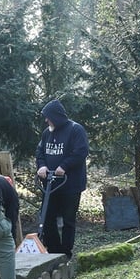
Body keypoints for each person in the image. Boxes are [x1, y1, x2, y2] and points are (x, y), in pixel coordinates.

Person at [35, 99, 89, 258]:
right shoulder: (47, 133)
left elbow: (81, 151)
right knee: (47, 218)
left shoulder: (75, 130)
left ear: (56, 116)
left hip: (70, 184)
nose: (46, 120)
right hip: (50, 185)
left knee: (68, 220)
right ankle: (54, 251)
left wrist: (64, 166)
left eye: (48, 117)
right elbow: (40, 152)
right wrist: (42, 166)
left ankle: (66, 252)